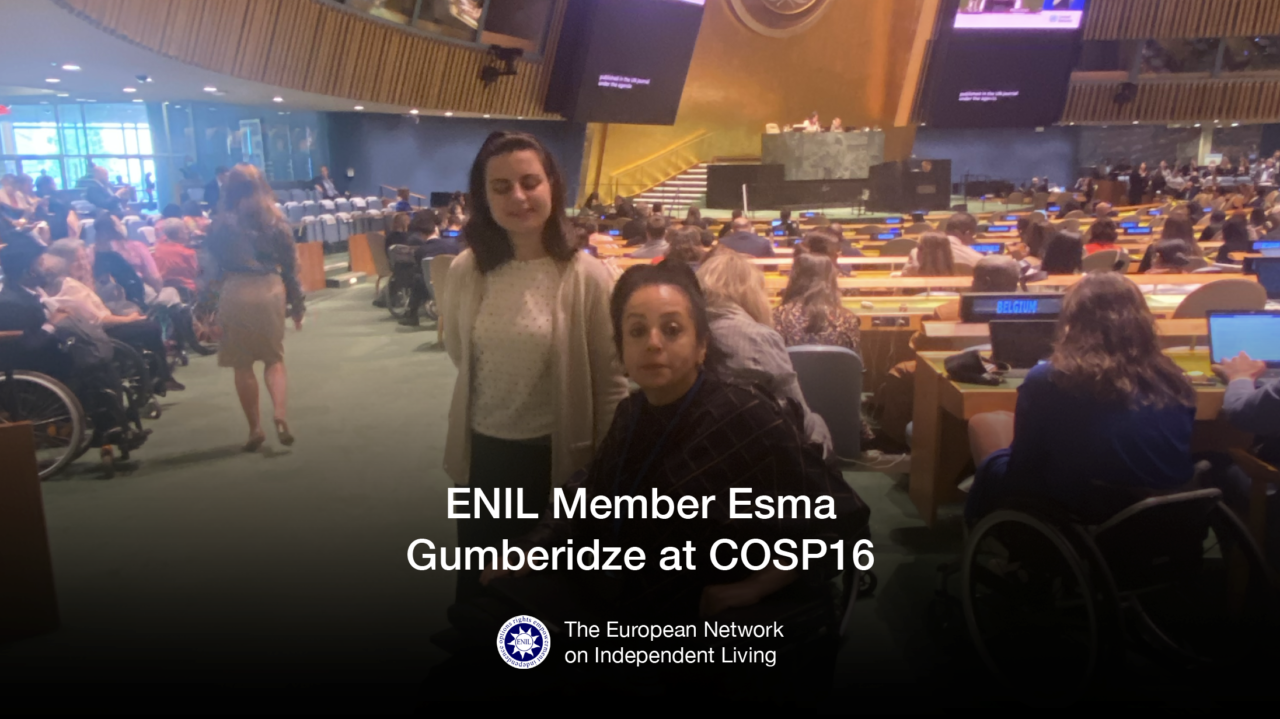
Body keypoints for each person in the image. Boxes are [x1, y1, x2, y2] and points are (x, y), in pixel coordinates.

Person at [477, 262, 868, 628]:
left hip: (698, 625)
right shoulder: (632, 412)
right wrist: (533, 546)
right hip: (623, 598)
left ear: (702, 345)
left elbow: (841, 517)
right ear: (621, 351)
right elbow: (590, 492)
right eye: (636, 331)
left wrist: (755, 587)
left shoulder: (744, 413)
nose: (653, 343)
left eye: (672, 329)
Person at [440, 131, 629, 603]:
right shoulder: (467, 269)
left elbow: (611, 386)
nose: (518, 197)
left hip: (556, 461)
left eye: (530, 182)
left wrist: (602, 474)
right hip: (481, 455)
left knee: (543, 596)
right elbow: (460, 352)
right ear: (484, 197)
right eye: (501, 187)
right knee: (479, 588)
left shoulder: (586, 276)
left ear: (552, 186)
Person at [964, 272, 1198, 525]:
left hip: (1084, 510)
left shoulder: (1050, 378)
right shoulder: (1175, 378)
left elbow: (1024, 467)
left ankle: (987, 534)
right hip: (1166, 517)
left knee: (988, 439)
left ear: (1071, 322)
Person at [204, 164, 306, 451]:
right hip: (270, 289)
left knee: (242, 364)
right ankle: (280, 414)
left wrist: (207, 309)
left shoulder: (219, 225)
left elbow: (210, 272)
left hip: (236, 290)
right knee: (274, 359)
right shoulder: (277, 221)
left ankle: (255, 429)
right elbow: (291, 268)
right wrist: (298, 306)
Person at [694, 251, 833, 459]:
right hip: (760, 452)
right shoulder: (761, 337)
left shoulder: (686, 334)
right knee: (816, 423)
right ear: (750, 293)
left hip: (699, 449)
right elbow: (799, 414)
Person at [37, 249, 183, 392]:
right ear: (65, 263)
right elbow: (99, 320)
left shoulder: (62, 285)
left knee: (142, 322)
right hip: (96, 335)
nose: (83, 263)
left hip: (89, 330)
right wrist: (129, 319)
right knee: (151, 328)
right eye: (76, 260)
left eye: (84, 258)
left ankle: (158, 375)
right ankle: (160, 377)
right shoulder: (70, 286)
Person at [397, 210, 460, 327]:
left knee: (418, 278)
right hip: (456, 286)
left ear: (422, 235)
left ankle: (412, 314)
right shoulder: (453, 246)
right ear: (436, 230)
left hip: (434, 289)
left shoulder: (420, 251)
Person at [903, 213, 982, 275]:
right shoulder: (977, 258)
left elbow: (905, 278)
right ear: (968, 233)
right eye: (973, 236)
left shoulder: (915, 253)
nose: (973, 240)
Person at [152, 218, 200, 294]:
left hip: (161, 291)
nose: (187, 231)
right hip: (187, 292)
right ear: (179, 234)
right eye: (185, 229)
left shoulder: (155, 250)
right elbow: (196, 274)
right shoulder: (188, 253)